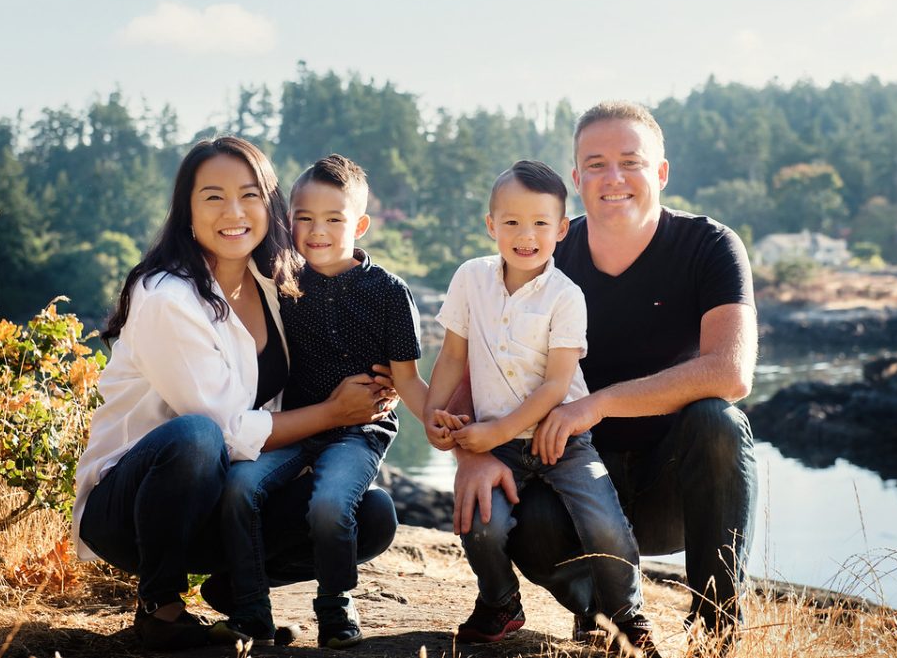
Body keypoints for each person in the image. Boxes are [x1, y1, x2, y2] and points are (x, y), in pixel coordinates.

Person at [452, 101, 758, 653]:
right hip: (565, 473)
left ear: (661, 173)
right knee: (518, 516)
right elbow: (475, 361)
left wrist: (597, 403)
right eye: (595, 164)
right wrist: (472, 453)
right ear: (576, 179)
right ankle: (599, 617)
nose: (612, 178)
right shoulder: (542, 253)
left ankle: (717, 628)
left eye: (630, 161)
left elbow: (731, 372)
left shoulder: (709, 247)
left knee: (720, 420)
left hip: (674, 489)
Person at [72, 137, 400, 652]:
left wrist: (382, 384)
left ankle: (236, 589)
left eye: (249, 195)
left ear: (270, 207)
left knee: (371, 516)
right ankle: (161, 610)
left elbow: (334, 342)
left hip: (226, 504)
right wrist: (333, 411)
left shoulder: (277, 283)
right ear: (187, 209)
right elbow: (224, 432)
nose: (233, 212)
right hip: (136, 508)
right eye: (213, 197)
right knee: (197, 437)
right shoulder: (166, 294)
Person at [424, 160, 656, 653]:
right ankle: (500, 601)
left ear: (561, 230)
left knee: (603, 525)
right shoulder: (470, 279)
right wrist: (433, 415)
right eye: (511, 222)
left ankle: (625, 619)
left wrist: (498, 429)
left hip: (563, 439)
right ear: (491, 226)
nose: (524, 235)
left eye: (539, 224)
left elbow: (555, 385)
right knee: (480, 523)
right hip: (498, 442)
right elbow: (452, 357)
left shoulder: (566, 296)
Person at [224, 154, 428, 649]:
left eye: (334, 219)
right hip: (296, 424)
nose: (318, 231)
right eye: (304, 218)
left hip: (360, 432)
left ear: (359, 224)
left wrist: (446, 427)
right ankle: (250, 612)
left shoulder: (389, 293)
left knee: (332, 504)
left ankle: (335, 604)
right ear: (288, 220)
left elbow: (409, 381)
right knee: (238, 486)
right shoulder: (282, 281)